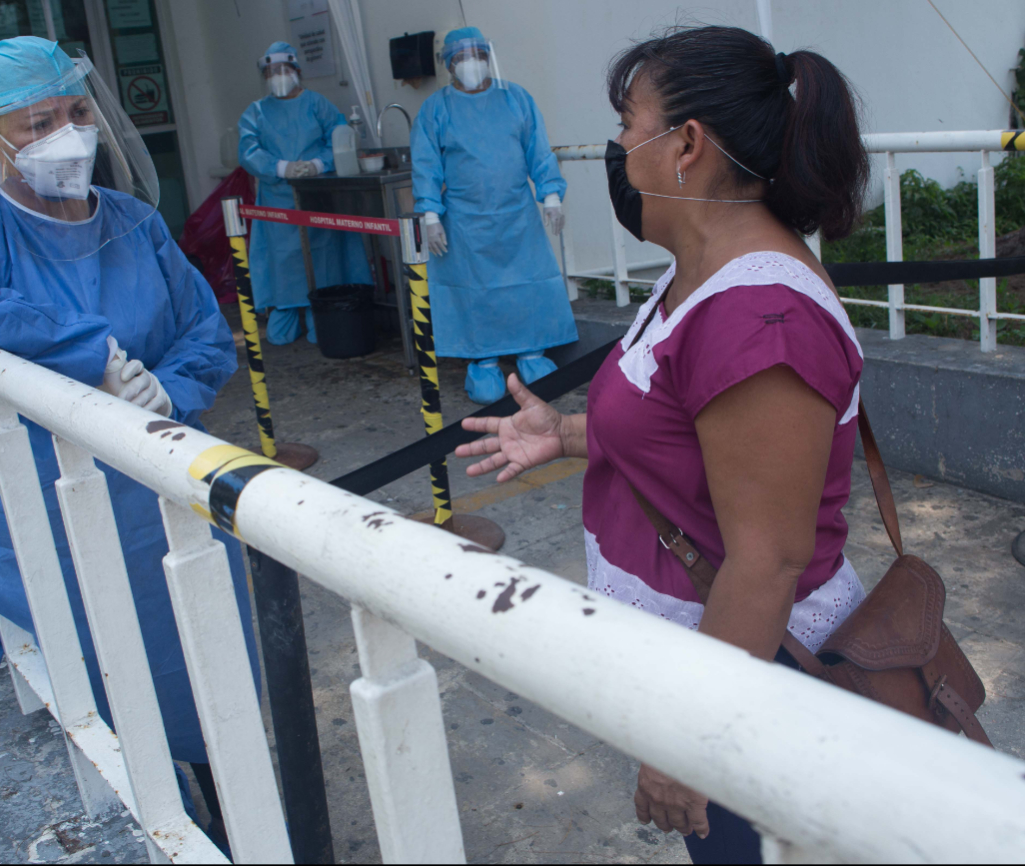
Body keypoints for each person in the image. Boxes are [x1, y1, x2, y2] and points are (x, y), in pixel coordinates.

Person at [454, 25, 870, 864]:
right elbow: (684, 429)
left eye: (624, 120)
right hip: (699, 659)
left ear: (686, 145)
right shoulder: (696, 272)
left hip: (754, 682)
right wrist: (570, 434)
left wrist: (686, 749)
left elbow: (766, 561)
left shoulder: (760, 322)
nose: (612, 146)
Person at [0, 37, 258, 851]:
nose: (68, 134)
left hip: (163, 487)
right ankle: (167, 826)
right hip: (52, 506)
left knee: (210, 673)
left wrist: (170, 390)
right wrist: (91, 354)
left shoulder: (132, 223)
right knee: (110, 686)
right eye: (38, 121)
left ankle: (243, 821)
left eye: (76, 112)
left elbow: (204, 334)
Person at [411, 26, 577, 404]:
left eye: (478, 55)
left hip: (517, 216)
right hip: (465, 222)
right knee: (475, 291)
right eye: (462, 58)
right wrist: (430, 214)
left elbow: (537, 148)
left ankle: (532, 352)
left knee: (527, 283)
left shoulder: (515, 98)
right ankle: (482, 360)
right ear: (450, 65)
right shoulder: (436, 109)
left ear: (489, 57)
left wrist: (550, 194)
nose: (472, 64)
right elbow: (426, 165)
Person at [238, 41, 370, 344]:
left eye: (284, 70)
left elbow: (339, 136)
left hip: (315, 195)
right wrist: (282, 167)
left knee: (322, 257)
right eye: (271, 72)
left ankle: (320, 306)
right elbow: (247, 151)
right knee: (284, 262)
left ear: (297, 71)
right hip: (276, 200)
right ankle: (285, 307)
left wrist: (315, 164)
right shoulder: (256, 112)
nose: (278, 76)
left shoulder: (316, 104)